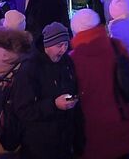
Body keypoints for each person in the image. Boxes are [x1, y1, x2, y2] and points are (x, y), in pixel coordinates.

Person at [67, 7, 129, 159]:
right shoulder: (116, 47)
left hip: (91, 134)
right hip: (123, 125)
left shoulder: (72, 60)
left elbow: (71, 100)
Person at [10, 21, 79, 159]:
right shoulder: (30, 68)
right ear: (47, 45)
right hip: (39, 146)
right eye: (59, 45)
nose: (63, 49)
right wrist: (53, 105)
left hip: (64, 141)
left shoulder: (66, 62)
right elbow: (22, 109)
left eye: (66, 44)